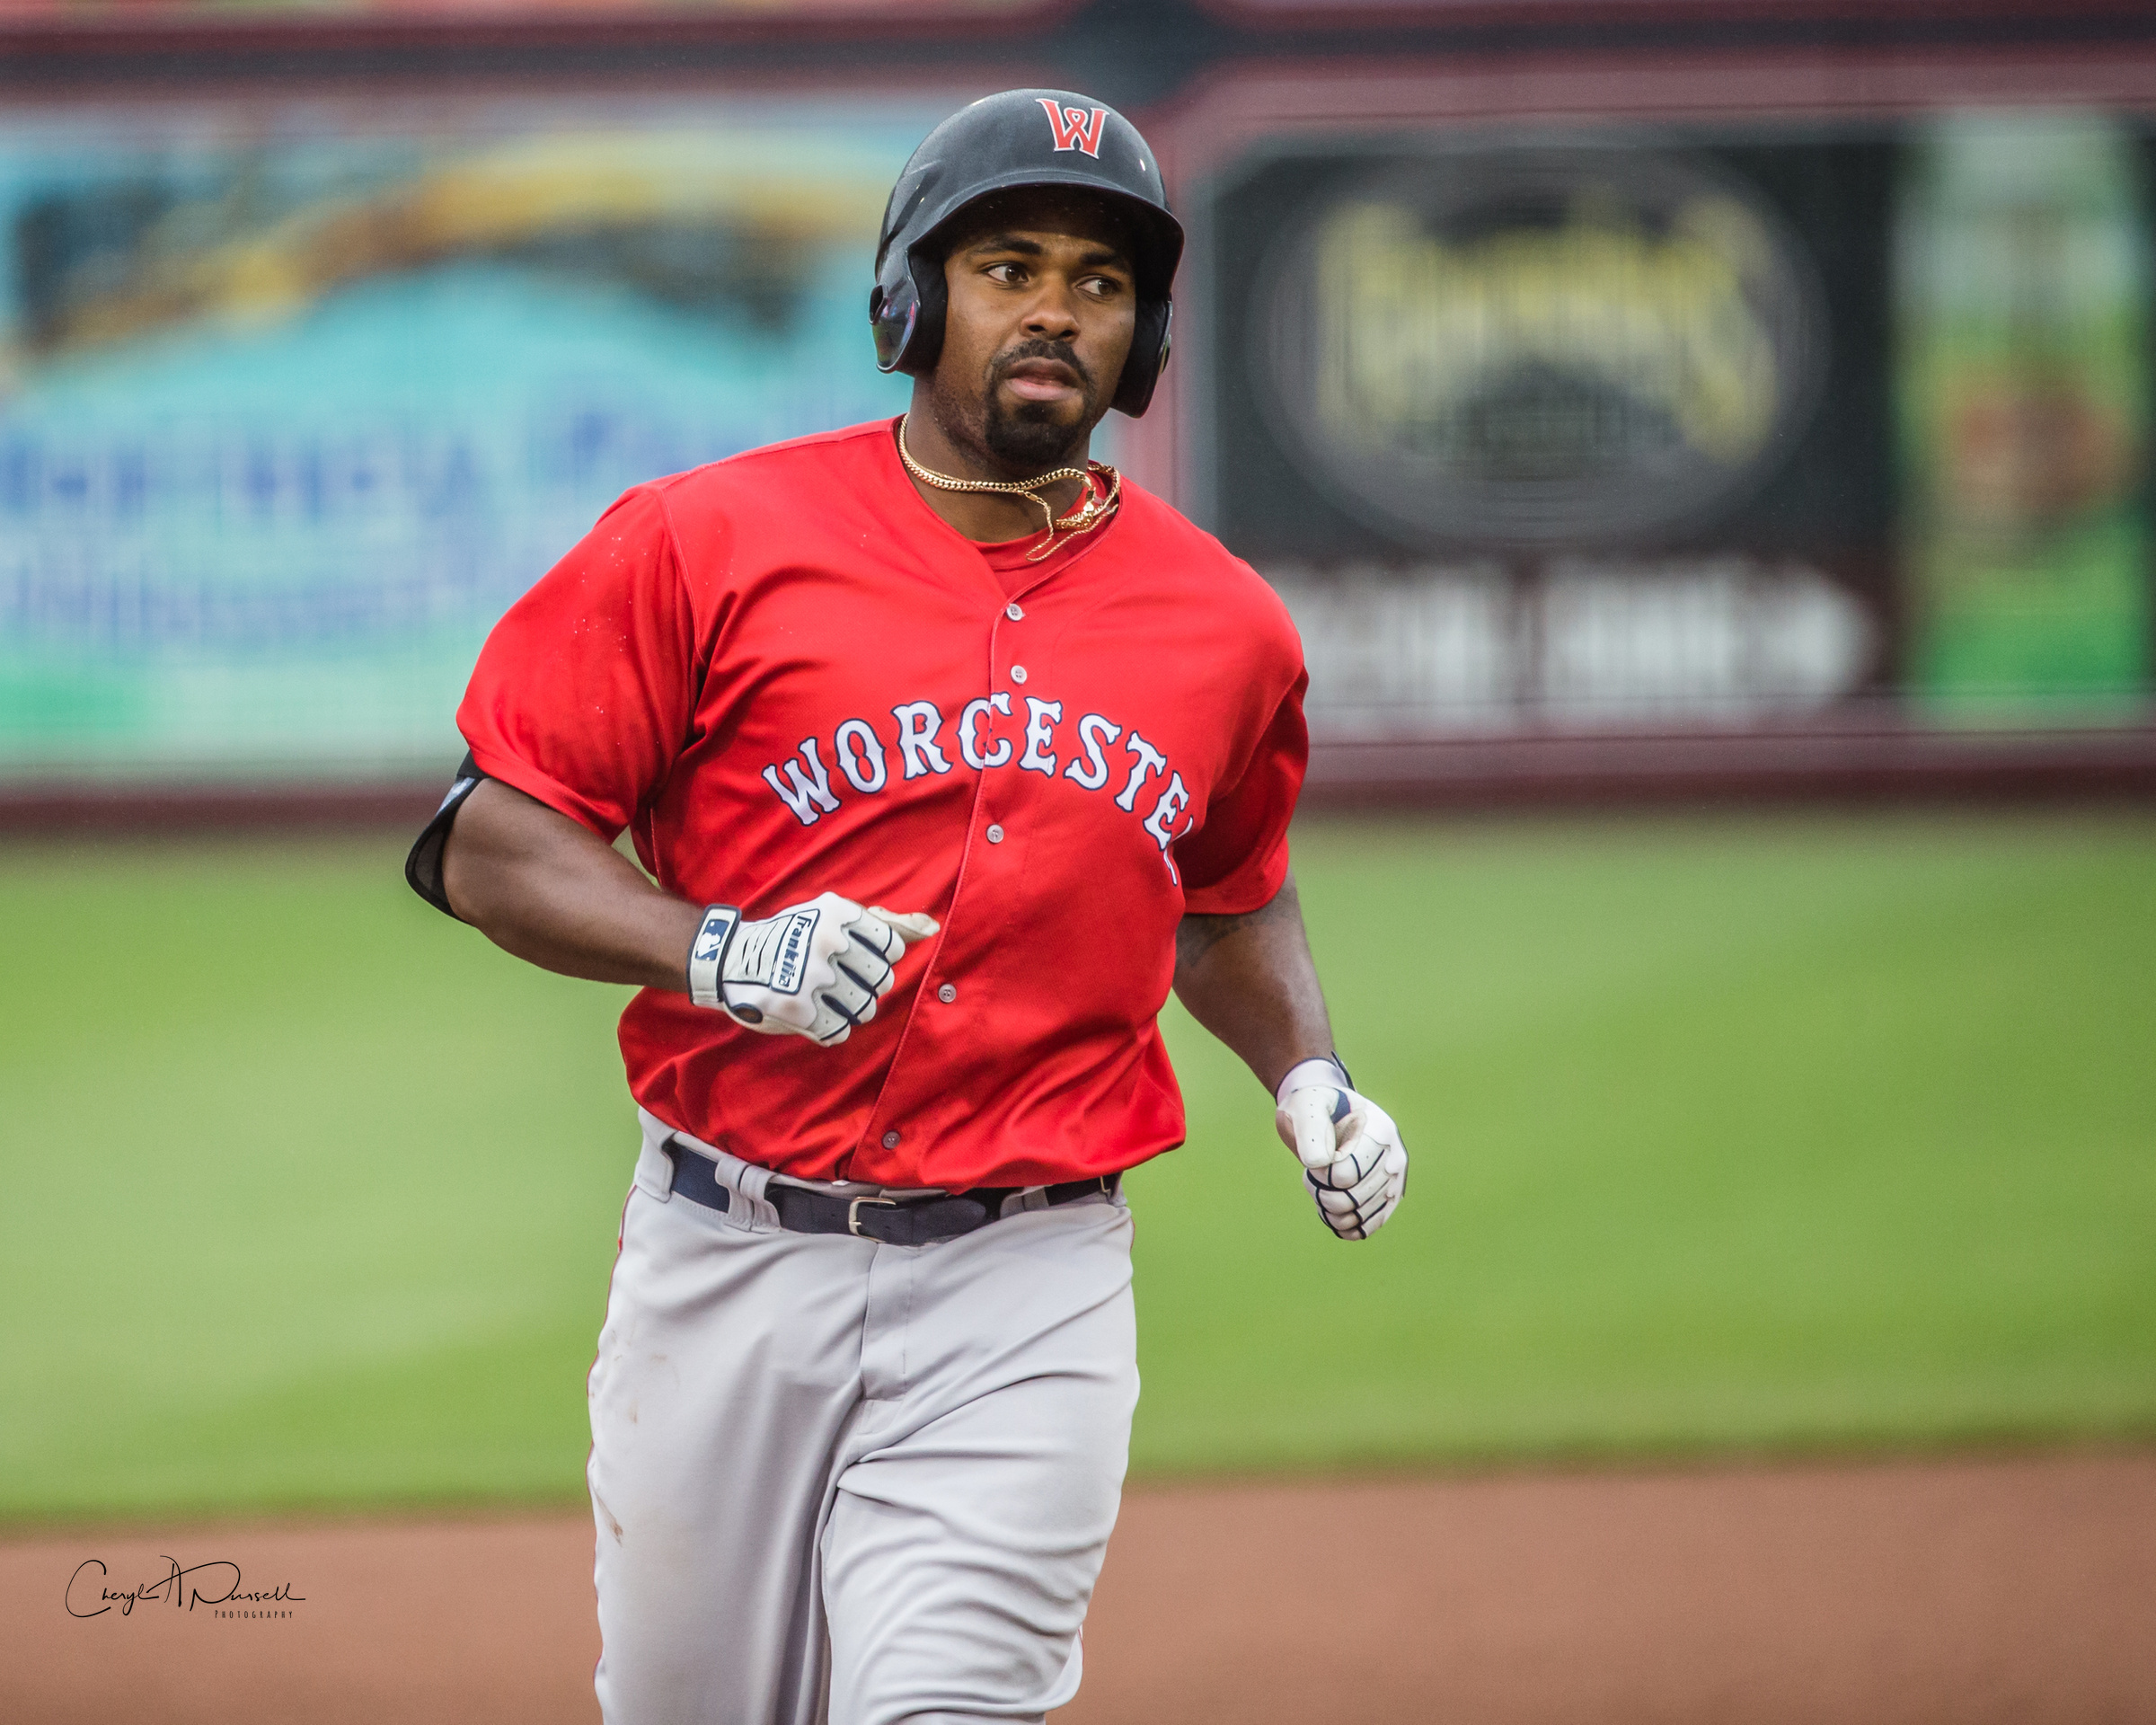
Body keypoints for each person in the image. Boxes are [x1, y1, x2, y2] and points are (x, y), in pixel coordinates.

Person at [404, 87, 1409, 1725]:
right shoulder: (707, 543)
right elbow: (483, 839)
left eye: (1099, 282)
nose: (1055, 311)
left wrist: (1306, 1073)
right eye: (1009, 265)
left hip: (1030, 1280)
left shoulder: (1224, 625)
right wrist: (717, 951)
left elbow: (1225, 896)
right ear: (911, 296)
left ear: (1143, 333)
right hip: (724, 1259)